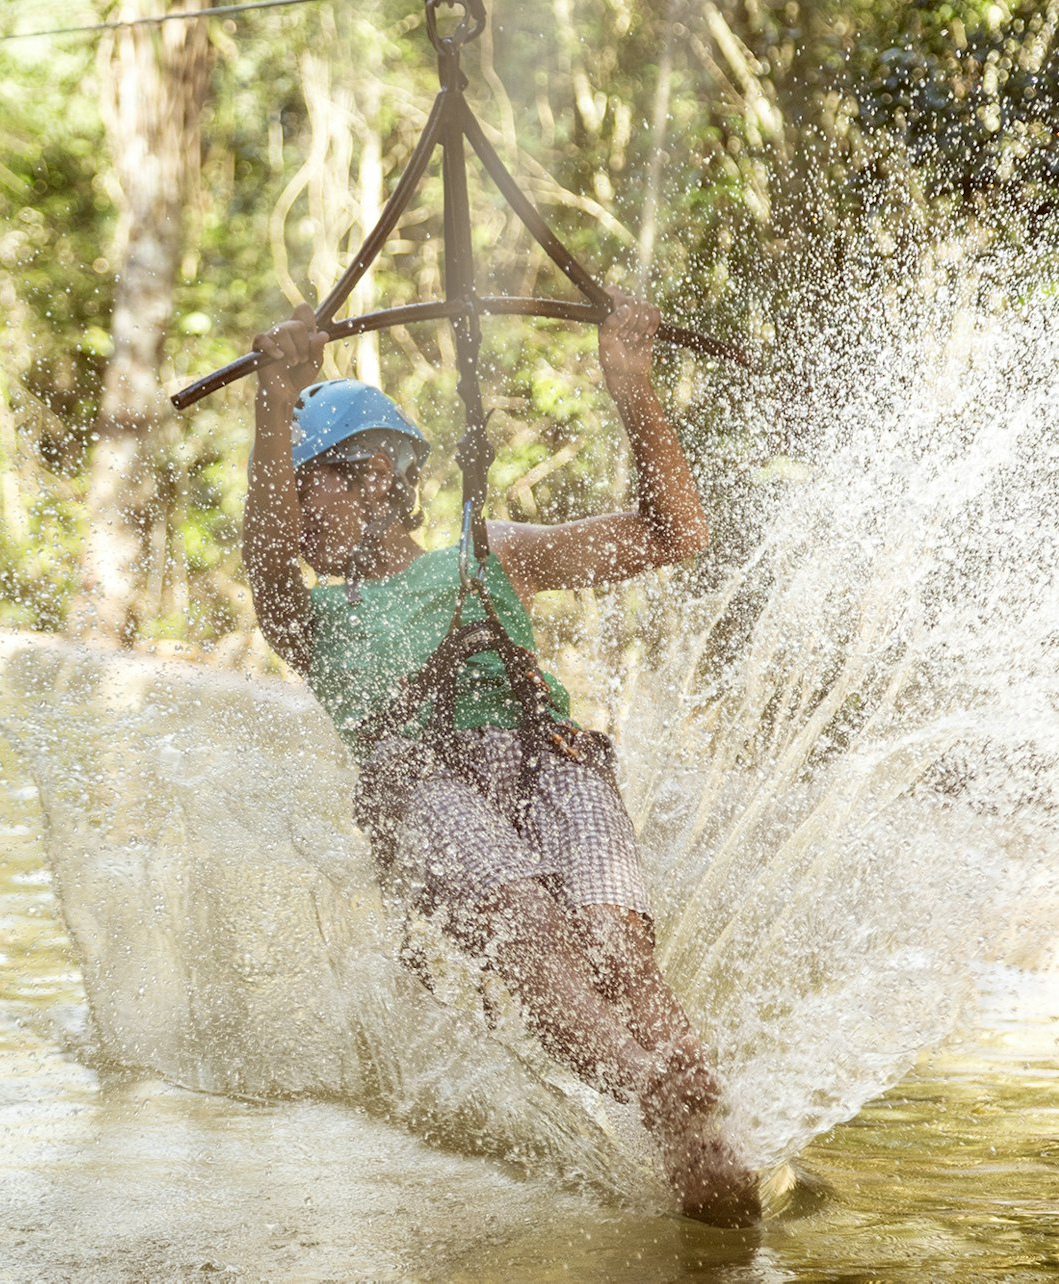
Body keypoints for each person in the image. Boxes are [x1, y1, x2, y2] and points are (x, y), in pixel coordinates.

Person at [243, 293, 760, 1227]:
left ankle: (701, 1135)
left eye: (300, 484)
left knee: (617, 953)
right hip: (419, 792)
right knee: (530, 936)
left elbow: (673, 534)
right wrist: (272, 403)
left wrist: (632, 387)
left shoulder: (491, 552)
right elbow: (270, 565)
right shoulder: (309, 621)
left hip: (551, 761)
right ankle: (654, 1090)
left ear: (374, 476)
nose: (288, 509)